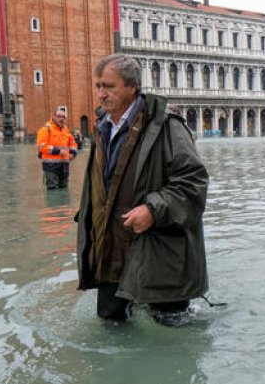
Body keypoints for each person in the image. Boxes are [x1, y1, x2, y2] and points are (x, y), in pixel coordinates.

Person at [75, 54, 209, 327]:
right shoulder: (102, 128)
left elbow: (194, 183)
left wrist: (153, 209)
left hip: (159, 252)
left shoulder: (168, 127)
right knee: (111, 326)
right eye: (98, 86)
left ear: (132, 87)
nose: (100, 94)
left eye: (109, 86)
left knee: (170, 335)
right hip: (110, 249)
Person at [36, 107, 77, 189]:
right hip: (51, 167)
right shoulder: (46, 129)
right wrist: (58, 151)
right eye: (59, 116)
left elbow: (73, 143)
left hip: (64, 167)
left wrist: (73, 153)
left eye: (63, 117)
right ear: (53, 117)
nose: (61, 119)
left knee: (64, 190)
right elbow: (41, 146)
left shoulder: (66, 131)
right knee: (52, 191)